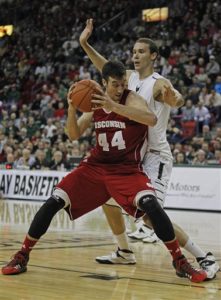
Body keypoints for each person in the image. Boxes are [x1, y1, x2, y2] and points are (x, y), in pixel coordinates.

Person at [1, 61, 207, 283]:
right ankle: (22, 255)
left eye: (122, 84)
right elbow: (73, 134)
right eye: (114, 85)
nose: (119, 89)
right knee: (53, 201)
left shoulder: (131, 99)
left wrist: (114, 105)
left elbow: (151, 119)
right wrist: (71, 108)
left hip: (126, 170)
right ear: (103, 83)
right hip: (95, 167)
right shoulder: (94, 101)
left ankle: (179, 261)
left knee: (151, 205)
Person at [78, 19, 219, 280]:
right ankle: (124, 251)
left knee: (150, 218)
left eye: (141, 51)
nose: (135, 55)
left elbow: (175, 97)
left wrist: (174, 97)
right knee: (106, 199)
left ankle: (203, 256)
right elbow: (105, 67)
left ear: (154, 56)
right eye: (133, 51)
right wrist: (84, 44)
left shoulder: (157, 82)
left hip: (156, 157)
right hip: (134, 158)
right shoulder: (127, 80)